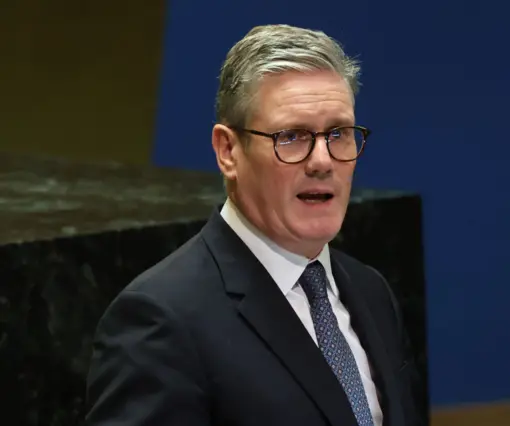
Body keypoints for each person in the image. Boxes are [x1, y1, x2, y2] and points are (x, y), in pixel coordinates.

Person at [85, 24, 425, 426]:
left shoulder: (371, 291)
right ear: (228, 151)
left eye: (339, 133)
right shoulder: (161, 321)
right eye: (292, 136)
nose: (322, 160)